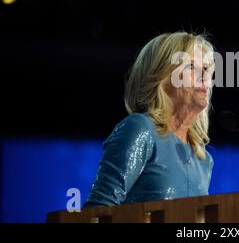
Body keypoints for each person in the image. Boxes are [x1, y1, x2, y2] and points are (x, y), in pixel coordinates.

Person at [83, 31, 215, 207]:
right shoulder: (141, 129)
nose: (204, 76)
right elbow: (99, 209)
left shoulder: (204, 160)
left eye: (206, 69)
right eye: (191, 67)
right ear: (162, 75)